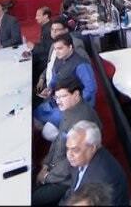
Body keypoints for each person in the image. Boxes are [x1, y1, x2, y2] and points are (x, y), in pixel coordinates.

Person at [32, 77, 101, 206]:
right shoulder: (68, 110)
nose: (58, 101)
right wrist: (46, 164)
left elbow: (73, 163)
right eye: (57, 97)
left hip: (69, 179)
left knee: (32, 199)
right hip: (57, 170)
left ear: (76, 94)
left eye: (63, 96)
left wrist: (47, 176)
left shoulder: (83, 122)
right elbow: (58, 140)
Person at [34, 34, 97, 127]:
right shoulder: (60, 59)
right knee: (38, 111)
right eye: (55, 49)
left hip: (76, 104)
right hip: (59, 99)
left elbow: (91, 89)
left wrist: (73, 101)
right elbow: (56, 77)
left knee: (51, 120)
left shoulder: (81, 65)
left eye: (60, 48)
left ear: (70, 47)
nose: (57, 52)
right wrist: (50, 88)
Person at [61, 121, 129, 205]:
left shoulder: (104, 179)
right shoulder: (79, 159)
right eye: (68, 148)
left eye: (75, 150)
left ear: (92, 148)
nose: (69, 154)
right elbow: (74, 189)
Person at [36, 19, 89, 99]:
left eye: (57, 30)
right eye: (52, 29)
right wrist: (42, 78)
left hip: (66, 95)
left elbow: (85, 75)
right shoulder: (54, 44)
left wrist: (73, 99)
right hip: (50, 88)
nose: (53, 32)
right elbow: (51, 64)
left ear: (66, 30)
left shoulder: (75, 45)